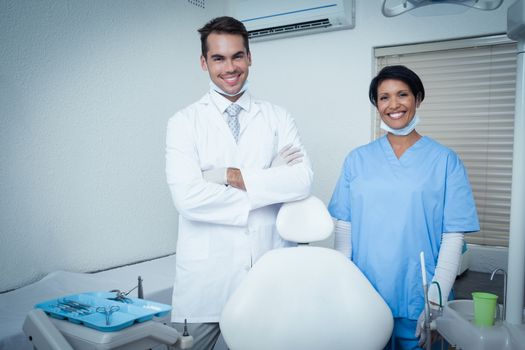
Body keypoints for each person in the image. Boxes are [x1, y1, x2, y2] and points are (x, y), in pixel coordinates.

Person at [165, 16, 313, 350]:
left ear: (249, 57)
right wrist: (269, 182)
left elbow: (302, 180)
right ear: (204, 63)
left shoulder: (278, 117)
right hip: (205, 280)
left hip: (267, 272)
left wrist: (227, 177)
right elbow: (187, 198)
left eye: (237, 56)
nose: (229, 67)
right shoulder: (183, 123)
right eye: (218, 58)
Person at [328, 65, 479, 350]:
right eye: (384, 97)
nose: (393, 104)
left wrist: (435, 302)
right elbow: (344, 231)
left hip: (419, 297)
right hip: (365, 297)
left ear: (417, 99)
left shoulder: (445, 160)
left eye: (402, 95)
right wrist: (342, 291)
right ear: (377, 105)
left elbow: (453, 236)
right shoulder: (357, 160)